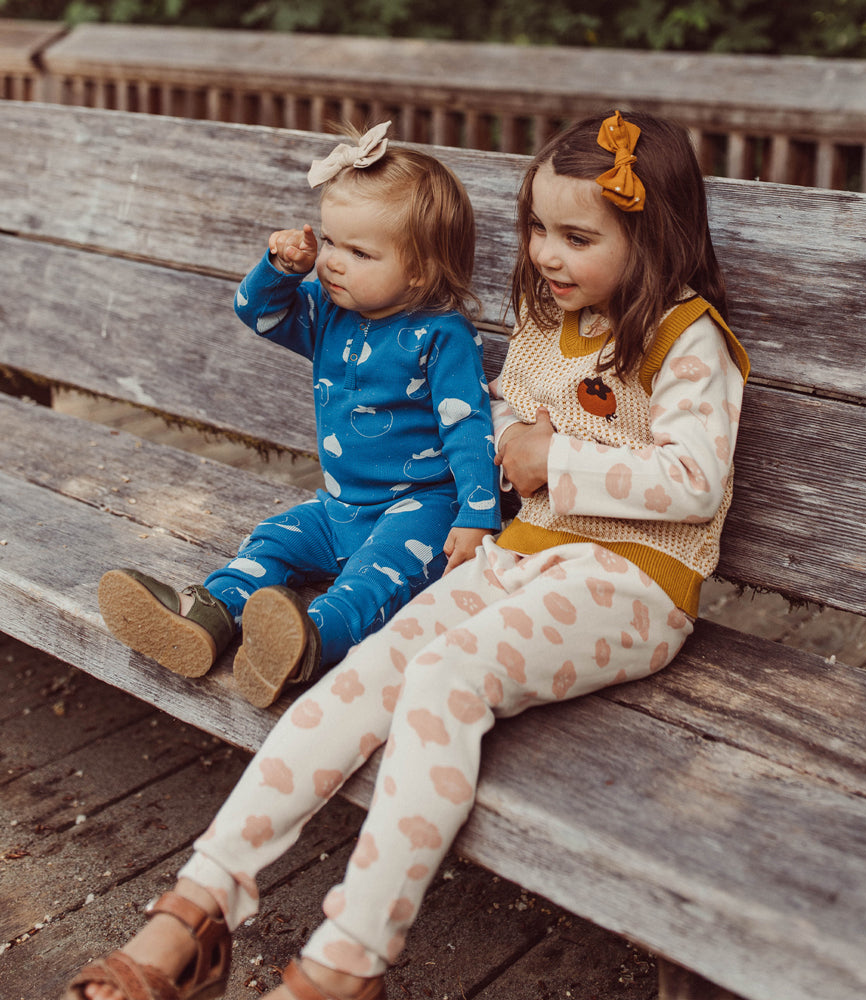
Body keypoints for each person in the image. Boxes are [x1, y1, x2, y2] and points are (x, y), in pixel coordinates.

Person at [65, 109, 750, 1000]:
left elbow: (697, 478)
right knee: (365, 670)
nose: (546, 253)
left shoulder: (685, 336)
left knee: (444, 679)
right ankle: (195, 906)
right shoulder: (550, 319)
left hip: (632, 581)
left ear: (652, 238)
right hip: (521, 554)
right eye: (539, 227)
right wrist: (516, 437)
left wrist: (558, 459)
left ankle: (346, 962)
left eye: (577, 236)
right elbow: (503, 408)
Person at [97, 122, 500, 707]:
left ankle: (308, 640)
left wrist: (477, 514)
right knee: (272, 542)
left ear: (419, 270)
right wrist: (282, 268)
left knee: (374, 577)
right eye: (331, 242)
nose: (333, 263)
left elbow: (469, 427)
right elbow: (256, 312)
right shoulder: (328, 312)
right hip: (337, 504)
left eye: (359, 252)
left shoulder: (442, 335)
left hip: (420, 508)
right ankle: (206, 616)